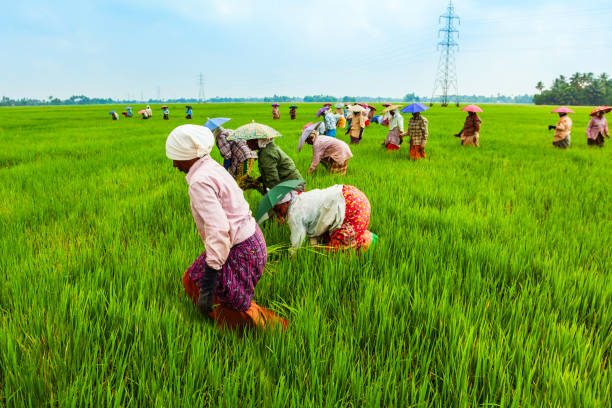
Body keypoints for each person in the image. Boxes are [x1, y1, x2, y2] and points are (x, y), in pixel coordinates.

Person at [165, 124, 287, 330]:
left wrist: (210, 279)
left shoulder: (200, 181)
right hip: (250, 240)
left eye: (176, 157)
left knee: (236, 308)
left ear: (190, 156)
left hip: (241, 249)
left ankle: (275, 331)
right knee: (192, 279)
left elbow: (218, 230)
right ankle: (214, 318)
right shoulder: (211, 166)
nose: (174, 164)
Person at [273, 184, 376, 253]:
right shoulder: (301, 198)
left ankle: (370, 242)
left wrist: (292, 255)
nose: (278, 214)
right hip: (351, 195)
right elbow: (313, 224)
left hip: (352, 208)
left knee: (335, 251)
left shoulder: (294, 213)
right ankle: (368, 238)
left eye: (279, 210)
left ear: (286, 203)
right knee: (327, 238)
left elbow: (297, 241)